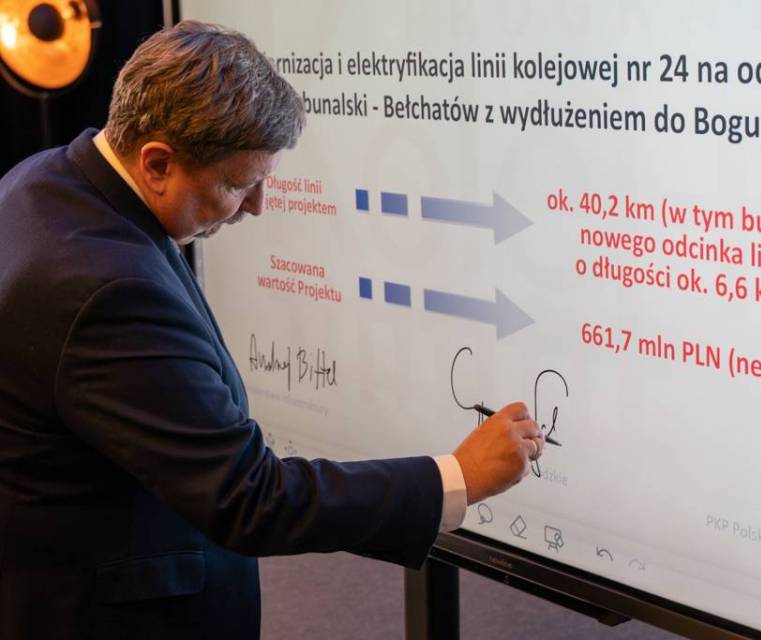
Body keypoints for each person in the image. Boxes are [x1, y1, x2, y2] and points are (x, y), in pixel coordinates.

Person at [0, 20, 544, 639]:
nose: (257, 205)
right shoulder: (109, 290)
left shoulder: (40, 182)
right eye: (238, 183)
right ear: (157, 163)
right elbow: (248, 498)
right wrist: (458, 476)